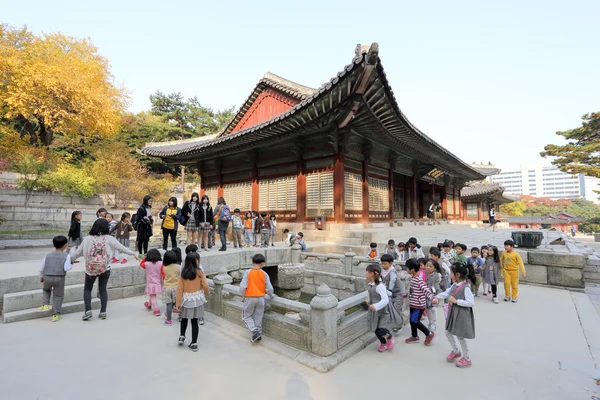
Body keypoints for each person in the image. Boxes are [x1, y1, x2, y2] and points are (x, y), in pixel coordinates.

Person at [71, 219, 138, 320]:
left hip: (91, 269)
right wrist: (132, 253)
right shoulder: (110, 239)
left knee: (87, 289)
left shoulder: (88, 239)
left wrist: (69, 260)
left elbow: (77, 253)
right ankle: (103, 312)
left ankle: (88, 311)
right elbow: (121, 248)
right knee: (102, 289)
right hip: (105, 268)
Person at [436, 262, 476, 368]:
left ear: (457, 275)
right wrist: (435, 297)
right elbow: (447, 293)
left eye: (451, 273)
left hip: (462, 314)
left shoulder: (465, 288)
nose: (450, 274)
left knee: (460, 336)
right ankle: (456, 351)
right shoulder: (455, 285)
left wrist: (456, 301)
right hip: (454, 313)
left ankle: (467, 358)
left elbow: (471, 302)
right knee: (447, 332)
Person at [176, 253, 209, 352]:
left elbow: (179, 290)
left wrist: (177, 303)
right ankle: (194, 343)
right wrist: (206, 293)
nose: (198, 262)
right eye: (198, 261)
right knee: (195, 321)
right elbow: (206, 285)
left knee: (184, 319)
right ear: (196, 262)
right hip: (197, 299)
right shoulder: (200, 272)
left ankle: (182, 336)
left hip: (186, 299)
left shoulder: (183, 274)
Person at [365, 263, 401, 352]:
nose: (365, 274)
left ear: (372, 274)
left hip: (383, 311)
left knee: (381, 328)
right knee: (376, 329)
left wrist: (376, 306)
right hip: (375, 312)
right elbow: (387, 294)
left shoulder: (379, 286)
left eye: (367, 272)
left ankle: (390, 337)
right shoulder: (372, 284)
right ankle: (383, 343)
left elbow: (385, 300)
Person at [239, 253, 274, 343]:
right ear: (262, 263)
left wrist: (243, 295)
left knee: (245, 317)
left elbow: (242, 287)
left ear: (252, 262)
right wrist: (270, 296)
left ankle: (255, 331)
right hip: (261, 298)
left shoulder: (248, 272)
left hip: (250, 297)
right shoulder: (264, 273)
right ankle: (258, 334)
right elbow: (270, 289)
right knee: (259, 317)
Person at [38, 235, 73, 322]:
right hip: (59, 278)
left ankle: (45, 304)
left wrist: (41, 276)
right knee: (58, 296)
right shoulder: (66, 255)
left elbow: (42, 267)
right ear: (65, 246)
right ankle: (55, 315)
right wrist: (72, 263)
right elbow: (66, 268)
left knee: (46, 290)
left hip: (47, 276)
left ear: (53, 245)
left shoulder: (48, 255)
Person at [404, 258, 435, 345]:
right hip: (413, 304)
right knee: (412, 321)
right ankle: (414, 336)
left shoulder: (419, 280)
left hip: (418, 305)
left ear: (412, 269)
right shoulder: (412, 278)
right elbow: (412, 289)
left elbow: (427, 290)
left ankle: (428, 334)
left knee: (415, 321)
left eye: (407, 268)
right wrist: (407, 294)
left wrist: (433, 298)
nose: (406, 269)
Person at [380, 254, 405, 333]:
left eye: (385, 264)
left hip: (398, 293)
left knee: (396, 309)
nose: (383, 265)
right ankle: (396, 323)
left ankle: (399, 326)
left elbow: (392, 281)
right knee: (392, 309)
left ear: (390, 263)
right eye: (382, 263)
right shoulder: (383, 271)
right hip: (390, 293)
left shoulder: (392, 271)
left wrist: (390, 290)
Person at [141, 249, 163, 316]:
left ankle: (156, 310)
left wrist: (144, 258)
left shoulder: (146, 264)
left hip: (150, 283)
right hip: (158, 282)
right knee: (152, 294)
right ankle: (149, 305)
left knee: (152, 295)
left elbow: (141, 264)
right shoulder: (161, 263)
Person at [161, 250, 180, 326]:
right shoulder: (178, 267)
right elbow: (180, 276)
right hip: (176, 287)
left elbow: (163, 277)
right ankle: (181, 317)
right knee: (178, 304)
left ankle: (169, 320)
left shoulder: (164, 268)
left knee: (169, 305)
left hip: (167, 287)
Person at [425, 259, 442, 332]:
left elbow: (438, 282)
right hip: (426, 294)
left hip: (435, 293)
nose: (428, 267)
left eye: (430, 266)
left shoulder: (437, 275)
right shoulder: (423, 274)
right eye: (427, 266)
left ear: (434, 268)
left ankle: (433, 323)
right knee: (428, 310)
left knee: (434, 309)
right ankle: (430, 322)